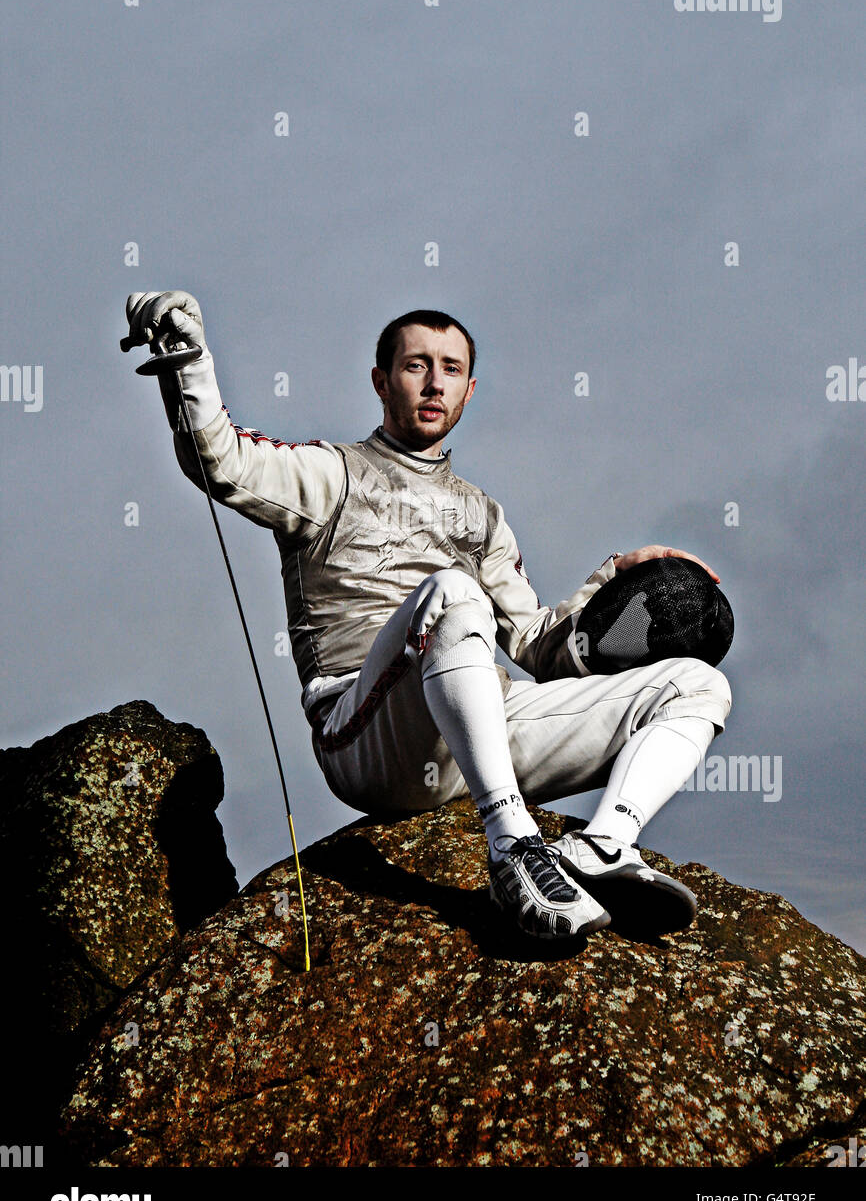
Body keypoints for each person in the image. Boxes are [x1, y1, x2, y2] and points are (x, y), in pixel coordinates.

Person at [123, 291, 732, 942]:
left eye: (450, 368)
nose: (434, 381)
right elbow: (221, 459)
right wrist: (186, 358)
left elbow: (539, 649)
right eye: (417, 365)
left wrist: (618, 582)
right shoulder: (331, 474)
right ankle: (512, 848)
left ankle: (603, 847)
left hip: (473, 735)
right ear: (382, 380)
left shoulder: (484, 514)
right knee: (452, 593)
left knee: (699, 685)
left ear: (470, 389)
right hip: (365, 734)